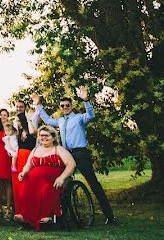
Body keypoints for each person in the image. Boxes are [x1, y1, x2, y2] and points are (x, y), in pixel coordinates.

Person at [32, 87, 115, 224]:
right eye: (62, 106)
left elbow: (91, 115)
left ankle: (110, 216)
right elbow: (46, 119)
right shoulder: (60, 121)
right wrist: (38, 104)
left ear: (72, 106)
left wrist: (86, 100)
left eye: (67, 105)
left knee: (93, 183)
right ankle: (62, 216)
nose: (65, 107)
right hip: (66, 155)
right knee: (63, 184)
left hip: (80, 153)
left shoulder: (79, 118)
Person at [15, 125, 77, 230]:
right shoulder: (35, 150)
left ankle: (47, 216)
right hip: (33, 180)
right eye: (41, 135)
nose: (43, 138)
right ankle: (25, 216)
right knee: (25, 188)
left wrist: (62, 178)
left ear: (53, 137)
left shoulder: (59, 149)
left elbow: (72, 164)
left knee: (45, 189)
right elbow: (28, 165)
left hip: (53, 179)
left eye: (46, 135)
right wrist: (24, 172)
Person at [12, 99, 36, 206]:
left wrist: (29, 120)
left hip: (29, 156)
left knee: (29, 182)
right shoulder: (17, 131)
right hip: (19, 157)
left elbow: (32, 132)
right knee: (19, 183)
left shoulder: (30, 124)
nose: (17, 123)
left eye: (18, 121)